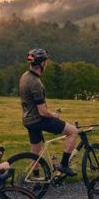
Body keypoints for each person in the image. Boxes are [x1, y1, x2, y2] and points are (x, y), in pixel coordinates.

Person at [19, 47, 79, 175]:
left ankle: (35, 179)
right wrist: (54, 115)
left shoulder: (25, 76)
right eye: (45, 62)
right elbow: (43, 112)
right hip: (37, 119)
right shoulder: (35, 83)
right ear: (41, 63)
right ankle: (64, 164)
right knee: (73, 131)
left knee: (36, 152)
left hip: (27, 119)